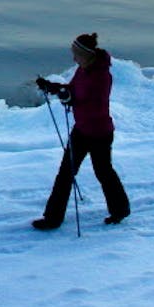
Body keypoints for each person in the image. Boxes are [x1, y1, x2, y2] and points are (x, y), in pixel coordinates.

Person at [33, 32, 131, 229]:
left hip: (100, 134)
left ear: (86, 55)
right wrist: (52, 87)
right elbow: (73, 90)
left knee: (103, 172)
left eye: (76, 54)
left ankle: (120, 209)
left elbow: (90, 103)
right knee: (65, 174)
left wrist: (68, 97)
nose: (73, 58)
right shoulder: (83, 70)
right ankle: (52, 219)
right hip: (82, 131)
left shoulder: (102, 77)